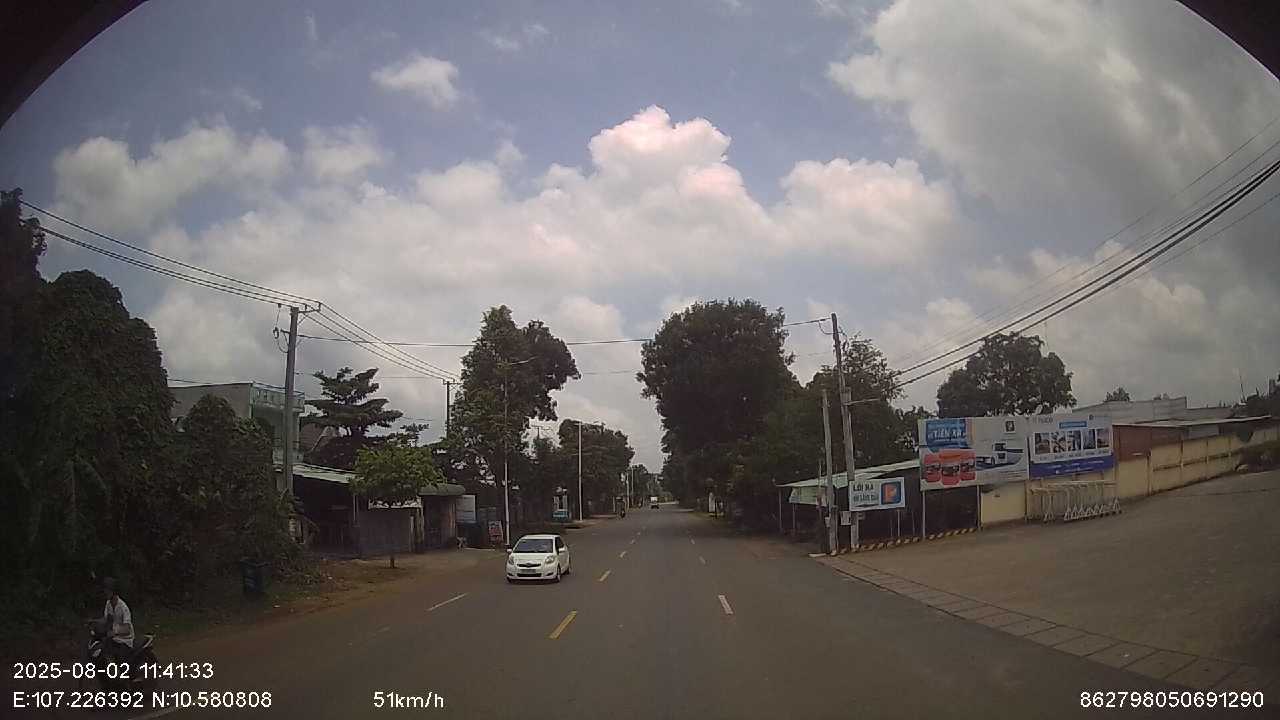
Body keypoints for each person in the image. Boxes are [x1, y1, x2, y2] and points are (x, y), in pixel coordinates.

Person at [101, 578, 135, 663]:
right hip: (113, 638)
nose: (105, 592)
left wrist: (115, 632)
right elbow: (106, 619)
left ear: (114, 591)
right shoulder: (108, 604)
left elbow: (127, 629)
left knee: (120, 659)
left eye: (108, 590)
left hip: (125, 640)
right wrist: (94, 622)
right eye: (105, 590)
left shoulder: (123, 607)